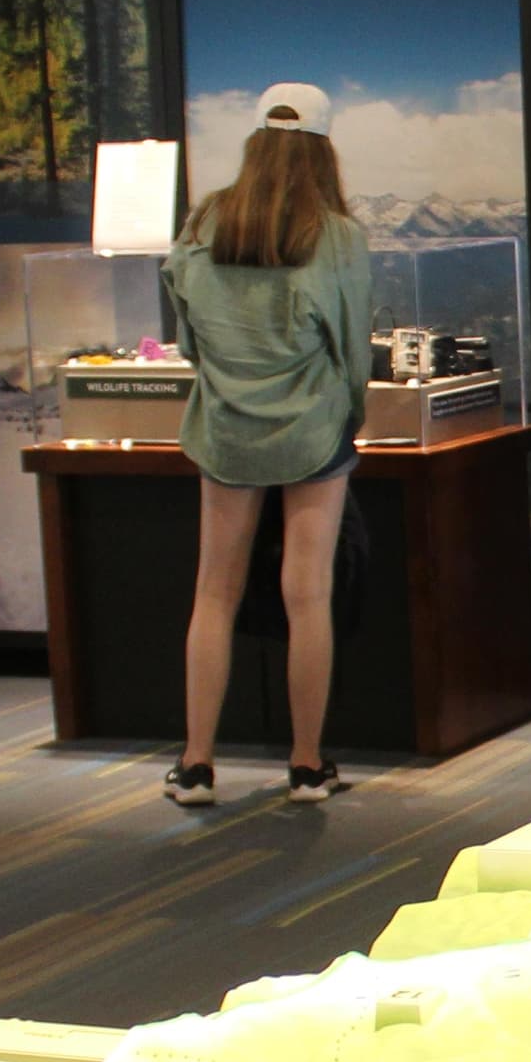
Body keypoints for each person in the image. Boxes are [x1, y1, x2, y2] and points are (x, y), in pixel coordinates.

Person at [161, 82, 372, 810]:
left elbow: (188, 331)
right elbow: (350, 347)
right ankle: (308, 766)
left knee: (212, 594)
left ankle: (195, 765)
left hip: (224, 429)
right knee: (307, 596)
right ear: (324, 146)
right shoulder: (337, 234)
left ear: (253, 138)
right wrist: (351, 412)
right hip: (314, 430)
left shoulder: (206, 220)